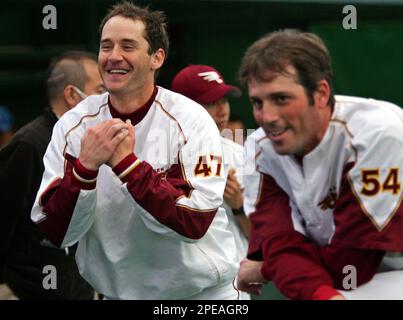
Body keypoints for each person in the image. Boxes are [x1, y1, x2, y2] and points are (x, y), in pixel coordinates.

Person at [31, 1, 238, 300]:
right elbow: (53, 229)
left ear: (157, 57)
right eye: (106, 46)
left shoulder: (192, 120)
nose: (114, 56)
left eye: (128, 46)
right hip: (117, 294)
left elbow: (195, 221)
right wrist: (85, 169)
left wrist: (127, 165)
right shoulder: (74, 125)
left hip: (202, 295)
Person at [236, 29, 403, 300]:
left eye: (281, 99)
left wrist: (269, 269)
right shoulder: (259, 147)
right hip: (337, 277)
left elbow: (352, 266)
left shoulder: (377, 133)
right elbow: (279, 243)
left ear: (321, 93)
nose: (266, 116)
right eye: (257, 102)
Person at [0, 50, 104, 299]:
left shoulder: (91, 143)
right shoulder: (29, 145)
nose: (107, 99)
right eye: (100, 90)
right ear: (71, 95)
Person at [171, 64, 251, 299]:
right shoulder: (158, 154)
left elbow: (262, 240)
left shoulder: (239, 155)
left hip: (226, 289)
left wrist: (238, 205)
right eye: (210, 102)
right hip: (170, 287)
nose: (221, 110)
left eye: (224, 100)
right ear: (183, 107)